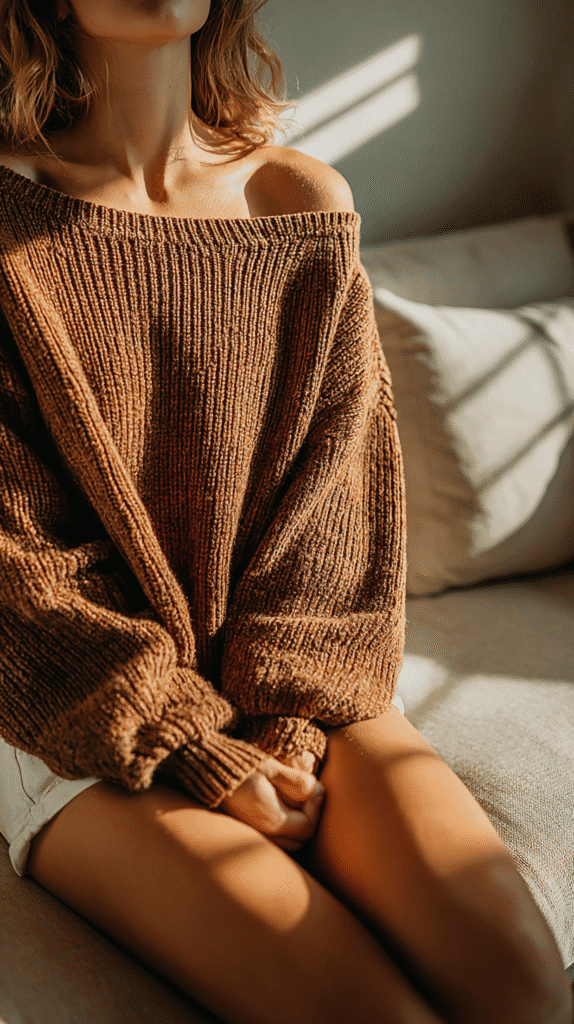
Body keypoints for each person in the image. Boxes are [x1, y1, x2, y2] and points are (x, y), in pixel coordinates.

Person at [0, 3, 571, 1023]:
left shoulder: (298, 201)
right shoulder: (7, 225)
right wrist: (196, 747)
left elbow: (335, 514)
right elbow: (19, 571)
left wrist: (286, 731)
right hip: (72, 709)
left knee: (525, 987)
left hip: (295, 677)